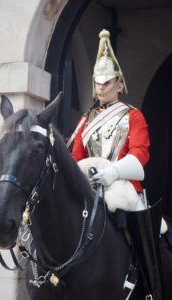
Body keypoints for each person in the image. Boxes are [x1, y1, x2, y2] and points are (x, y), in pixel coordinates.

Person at [70, 29, 164, 299]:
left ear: (119, 84)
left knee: (146, 234)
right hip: (90, 187)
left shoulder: (133, 116)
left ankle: (150, 287)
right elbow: (75, 158)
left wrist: (111, 172)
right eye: (97, 82)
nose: (101, 87)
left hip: (123, 185)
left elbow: (140, 156)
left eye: (107, 82)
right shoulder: (84, 121)